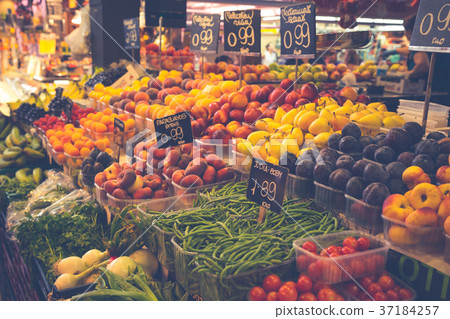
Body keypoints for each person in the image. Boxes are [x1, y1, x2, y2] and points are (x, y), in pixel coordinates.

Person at [382, 15, 429, 80]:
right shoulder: (424, 43)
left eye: (405, 30)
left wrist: (404, 75)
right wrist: (395, 51)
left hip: (420, 86)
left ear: (409, 31)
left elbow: (422, 65)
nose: (405, 33)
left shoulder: (419, 46)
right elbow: (410, 50)